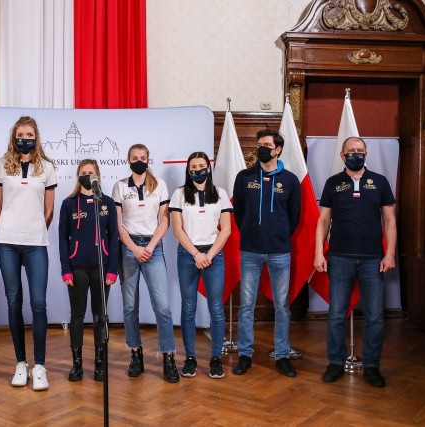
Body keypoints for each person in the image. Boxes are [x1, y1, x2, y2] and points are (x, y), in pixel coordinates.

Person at [315, 136, 396, 388]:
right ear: (342, 155)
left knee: (374, 316)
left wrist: (390, 253)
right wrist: (319, 252)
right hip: (339, 257)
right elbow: (323, 221)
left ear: (366, 153)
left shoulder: (380, 182)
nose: (356, 154)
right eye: (351, 151)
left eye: (360, 151)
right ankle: (335, 363)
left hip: (373, 258)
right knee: (337, 314)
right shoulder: (333, 183)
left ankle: (371, 366)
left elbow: (390, 220)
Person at [0, 116, 57, 391]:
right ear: (14, 137)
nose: (25, 138)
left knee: (38, 303)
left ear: (36, 136)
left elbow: (49, 210)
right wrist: (8, 228)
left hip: (36, 242)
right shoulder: (1, 165)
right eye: (20, 134)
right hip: (7, 241)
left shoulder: (48, 168)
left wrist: (34, 229)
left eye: (29, 134)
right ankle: (21, 364)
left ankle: (39, 366)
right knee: (13, 301)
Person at [232, 129, 301, 378]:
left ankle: (282, 355)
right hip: (250, 250)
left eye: (267, 144)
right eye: (259, 143)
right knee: (246, 305)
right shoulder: (244, 177)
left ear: (278, 149)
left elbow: (295, 217)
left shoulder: (291, 180)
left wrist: (279, 235)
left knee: (282, 305)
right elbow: (238, 212)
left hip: (280, 252)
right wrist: (251, 233)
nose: (261, 147)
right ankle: (245, 355)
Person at [112, 143, 179, 383]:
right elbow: (118, 225)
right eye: (134, 158)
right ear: (127, 161)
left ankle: (168, 356)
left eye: (143, 157)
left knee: (162, 307)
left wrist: (149, 247)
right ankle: (135, 353)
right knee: (130, 306)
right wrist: (134, 248)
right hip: (129, 249)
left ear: (149, 159)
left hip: (153, 248)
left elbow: (164, 220)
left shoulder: (159, 185)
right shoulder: (120, 187)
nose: (139, 160)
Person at [169, 152, 232, 379]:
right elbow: (177, 229)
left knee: (216, 308)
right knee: (188, 308)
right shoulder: (179, 194)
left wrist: (209, 255)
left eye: (201, 166)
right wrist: (196, 254)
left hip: (214, 255)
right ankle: (190, 358)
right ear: (188, 170)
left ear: (208, 168)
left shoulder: (221, 194)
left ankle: (216, 358)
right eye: (193, 167)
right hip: (188, 254)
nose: (197, 170)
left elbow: (226, 229)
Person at [58, 159, 119, 382]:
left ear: (98, 175)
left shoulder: (107, 203)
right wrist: (66, 269)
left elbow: (114, 238)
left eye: (91, 172)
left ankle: (100, 363)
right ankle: (77, 364)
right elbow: (62, 238)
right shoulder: (68, 204)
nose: (87, 175)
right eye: (83, 172)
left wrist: (112, 269)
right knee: (77, 315)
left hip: (102, 268)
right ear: (78, 176)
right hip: (77, 268)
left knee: (99, 316)